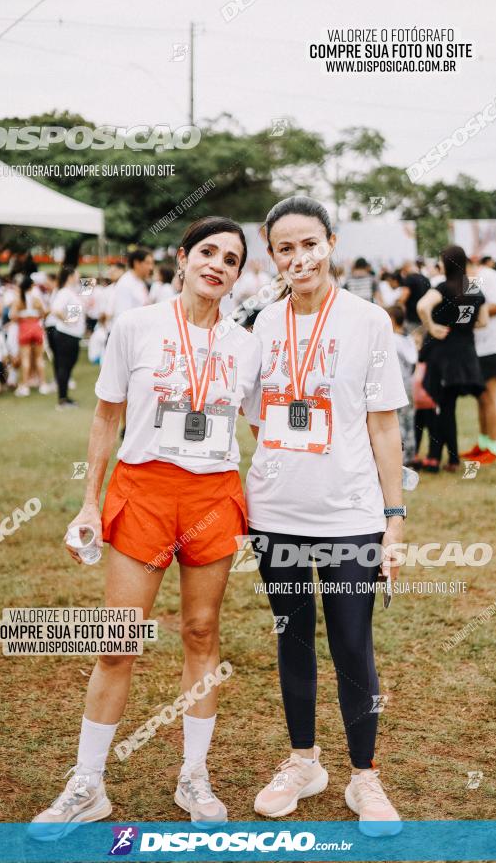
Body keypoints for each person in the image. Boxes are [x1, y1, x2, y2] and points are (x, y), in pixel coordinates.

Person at [30, 217, 261, 837]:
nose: (217, 265)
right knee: (117, 640)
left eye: (231, 260)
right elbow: (106, 418)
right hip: (144, 489)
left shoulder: (246, 344)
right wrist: (88, 503)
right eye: (207, 252)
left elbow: (262, 429)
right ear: (182, 258)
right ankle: (87, 784)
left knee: (201, 630)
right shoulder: (136, 326)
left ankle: (194, 776)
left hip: (214, 492)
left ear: (239, 275)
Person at [245, 196, 407, 836]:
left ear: (331, 242)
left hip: (350, 513)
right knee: (292, 636)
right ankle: (304, 762)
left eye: (309, 244)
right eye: (285, 248)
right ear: (272, 253)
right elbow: (259, 416)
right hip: (276, 510)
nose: (299, 258)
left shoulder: (369, 322)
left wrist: (394, 516)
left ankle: (364, 775)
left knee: (351, 643)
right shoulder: (262, 324)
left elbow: (384, 424)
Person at [416, 246, 488, 472]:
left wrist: (432, 326)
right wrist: (464, 327)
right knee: (448, 407)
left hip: (443, 353)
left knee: (443, 406)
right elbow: (483, 321)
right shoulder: (473, 286)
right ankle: (448, 459)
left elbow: (422, 306)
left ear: (446, 264)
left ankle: (440, 458)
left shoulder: (442, 287)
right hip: (465, 354)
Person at [460, 259, 496, 465]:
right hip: (480, 348)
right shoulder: (470, 280)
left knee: (491, 396)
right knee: (481, 397)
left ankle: (494, 447)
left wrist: (475, 314)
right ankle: (483, 444)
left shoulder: (489, 276)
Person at [50, 266, 85, 408]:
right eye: (77, 275)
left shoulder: (71, 292)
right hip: (66, 335)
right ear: (70, 277)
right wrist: (67, 320)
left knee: (67, 366)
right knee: (64, 366)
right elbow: (56, 310)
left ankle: (64, 397)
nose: (79, 277)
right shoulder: (65, 292)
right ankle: (62, 400)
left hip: (72, 335)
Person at [387, 305, 417, 465]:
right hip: (409, 383)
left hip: (396, 384)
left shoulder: (391, 339)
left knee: (396, 421)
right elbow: (413, 361)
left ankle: (401, 456)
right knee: (409, 418)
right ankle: (411, 453)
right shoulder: (408, 338)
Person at [9, 275, 49, 397]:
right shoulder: (36, 299)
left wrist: (22, 318)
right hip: (36, 327)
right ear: (31, 286)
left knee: (25, 359)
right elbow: (45, 312)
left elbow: (12, 316)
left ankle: (25, 386)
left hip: (24, 328)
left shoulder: (18, 299)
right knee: (39, 358)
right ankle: (43, 385)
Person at [111, 248, 153, 321]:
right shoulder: (126, 283)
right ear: (136, 263)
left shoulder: (140, 281)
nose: (151, 267)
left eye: (152, 263)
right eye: (147, 263)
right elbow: (123, 317)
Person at [398, 262, 430, 333]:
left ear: (406, 268)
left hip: (412, 318)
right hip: (424, 316)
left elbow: (403, 297)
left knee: (413, 341)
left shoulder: (409, 278)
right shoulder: (426, 279)